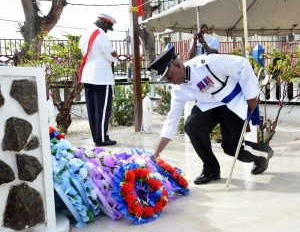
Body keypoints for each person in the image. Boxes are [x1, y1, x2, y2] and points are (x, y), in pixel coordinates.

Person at [147, 45, 274, 185]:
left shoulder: (207, 63)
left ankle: (263, 153)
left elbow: (242, 64)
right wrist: (157, 152)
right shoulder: (177, 90)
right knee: (192, 124)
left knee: (231, 148)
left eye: (169, 76)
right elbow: (172, 120)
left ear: (177, 65)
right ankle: (211, 169)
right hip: (210, 105)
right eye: (166, 79)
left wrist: (251, 98)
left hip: (232, 102)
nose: (169, 81)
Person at [79, 13, 118, 146]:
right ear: (104, 22)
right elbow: (111, 54)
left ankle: (97, 137)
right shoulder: (101, 34)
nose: (107, 30)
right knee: (102, 108)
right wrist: (114, 57)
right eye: (108, 27)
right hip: (101, 74)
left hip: (88, 72)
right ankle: (102, 138)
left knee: (92, 109)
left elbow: (82, 51)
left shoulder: (85, 33)